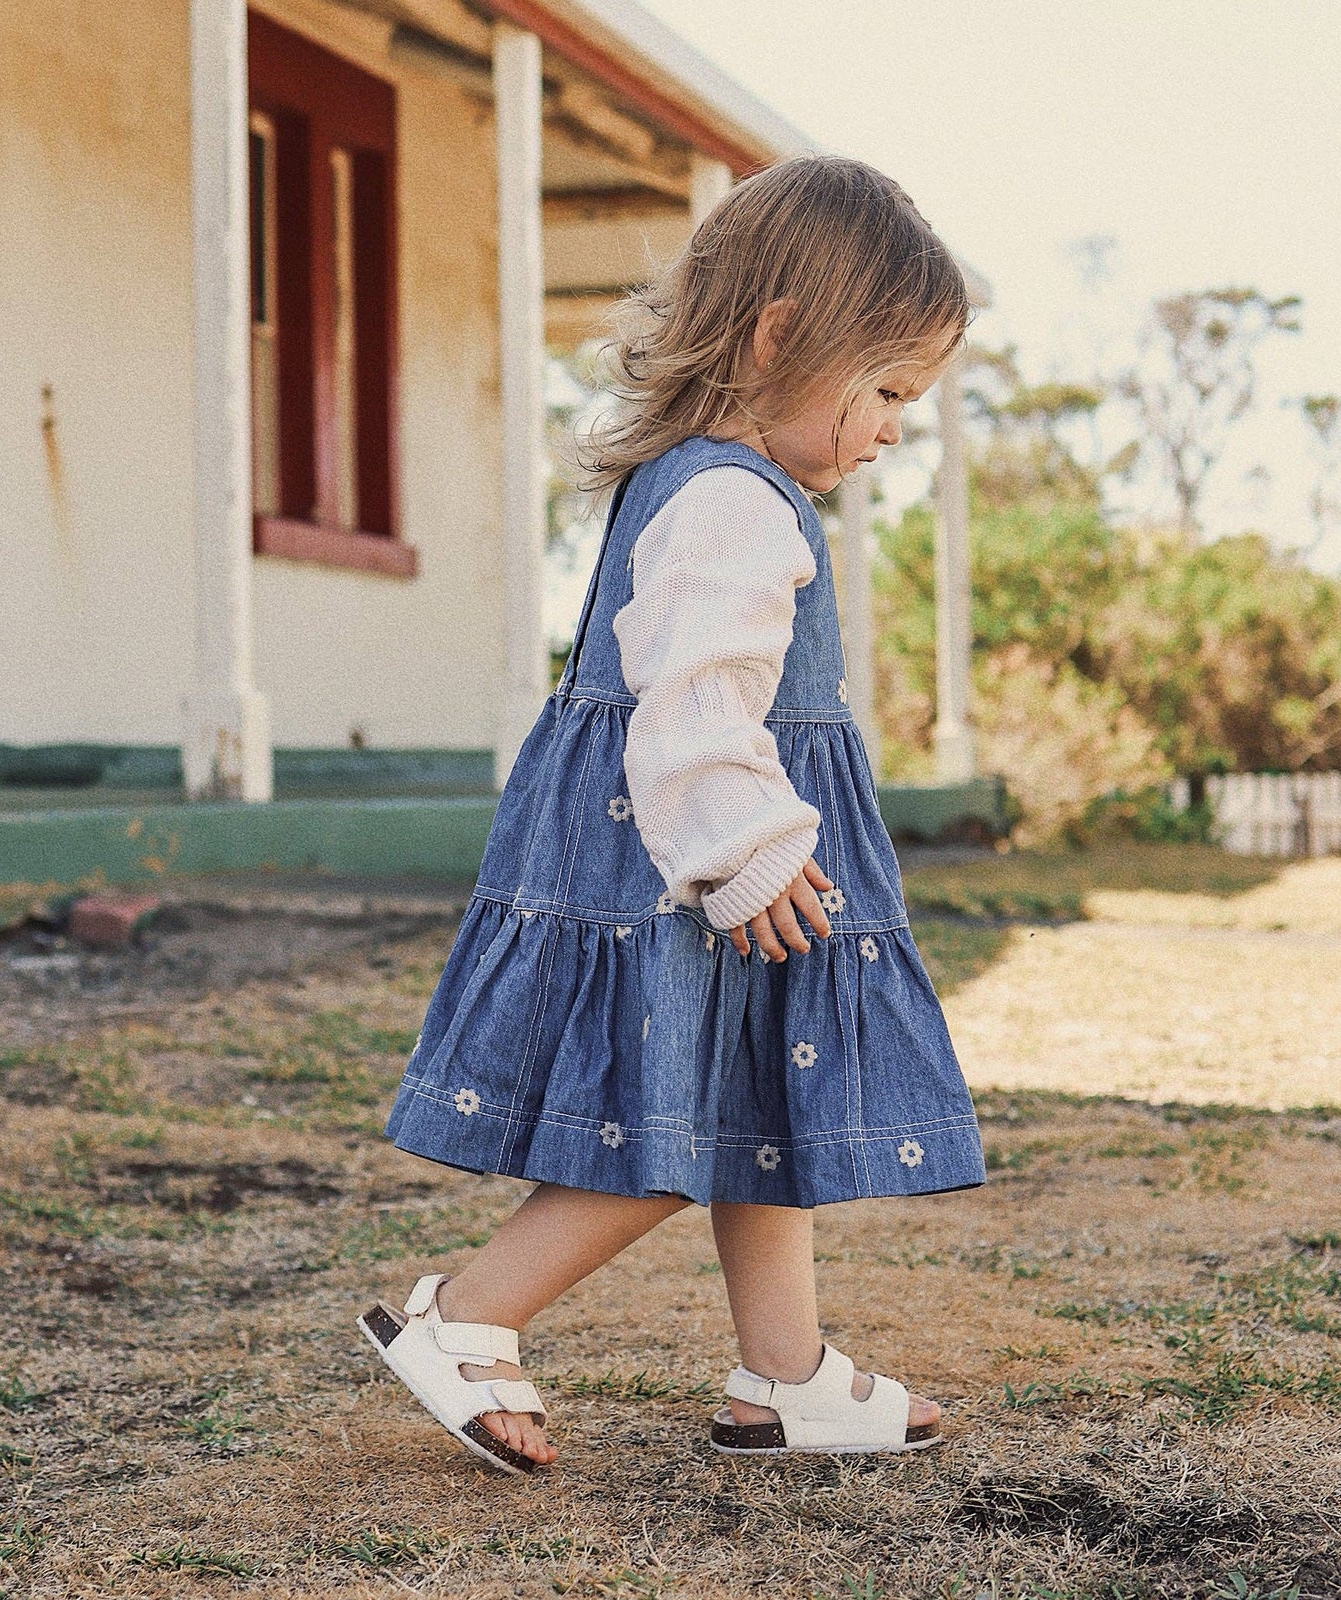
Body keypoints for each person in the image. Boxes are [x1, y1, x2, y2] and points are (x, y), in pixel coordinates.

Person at [358, 155, 988, 1475]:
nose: (889, 430)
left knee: (767, 1096)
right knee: (667, 1119)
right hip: (692, 864)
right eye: (882, 392)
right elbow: (696, 696)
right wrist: (750, 850)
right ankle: (470, 1316)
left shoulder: (708, 481)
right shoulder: (731, 502)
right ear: (781, 338)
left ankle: (788, 1374)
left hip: (710, 852)